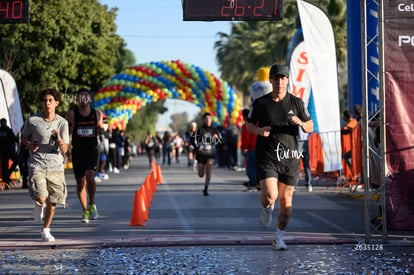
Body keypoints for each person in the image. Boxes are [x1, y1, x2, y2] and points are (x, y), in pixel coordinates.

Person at [246, 64, 313, 250]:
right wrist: (259, 130)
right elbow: (249, 125)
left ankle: (279, 237)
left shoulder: (296, 103)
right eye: (276, 78)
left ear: (287, 80)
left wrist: (300, 122)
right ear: (271, 81)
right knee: (270, 196)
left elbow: (310, 126)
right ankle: (267, 208)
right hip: (268, 157)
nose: (280, 82)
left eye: (283, 78)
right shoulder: (260, 103)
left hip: (290, 158)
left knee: (286, 201)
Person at [21, 88, 69, 242]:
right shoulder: (33, 120)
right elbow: (22, 136)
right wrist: (29, 144)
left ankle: (46, 230)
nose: (47, 103)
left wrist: (60, 140)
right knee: (42, 198)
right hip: (38, 164)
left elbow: (65, 149)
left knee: (53, 201)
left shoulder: (63, 123)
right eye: (44, 100)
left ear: (57, 103)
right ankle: (38, 204)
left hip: (56, 166)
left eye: (50, 100)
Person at [65, 88, 103, 224]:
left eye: (85, 96)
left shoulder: (97, 114)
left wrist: (103, 135)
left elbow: (100, 128)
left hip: (92, 150)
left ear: (90, 99)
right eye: (80, 96)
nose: (83, 98)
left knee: (90, 177)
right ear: (77, 99)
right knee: (80, 183)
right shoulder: (71, 114)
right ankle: (85, 209)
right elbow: (66, 131)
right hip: (78, 151)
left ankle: (92, 203)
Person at [193, 112, 222, 196]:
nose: (208, 120)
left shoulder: (214, 129)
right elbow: (194, 141)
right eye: (206, 119)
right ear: (203, 120)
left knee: (208, 171)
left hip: (210, 153)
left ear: (211, 120)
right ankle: (202, 171)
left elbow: (220, 141)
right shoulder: (200, 129)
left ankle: (206, 188)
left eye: (209, 118)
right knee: (201, 174)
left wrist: (217, 139)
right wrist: (196, 149)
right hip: (201, 153)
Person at [240, 108, 257, 191]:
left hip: (251, 149)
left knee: (251, 168)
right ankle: (258, 184)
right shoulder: (258, 124)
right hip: (260, 149)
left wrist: (244, 148)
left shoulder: (246, 125)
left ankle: (253, 184)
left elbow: (245, 139)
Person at [0, 118, 19, 185]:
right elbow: (14, 139)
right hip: (9, 150)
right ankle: (7, 176)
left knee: (4, 166)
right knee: (17, 160)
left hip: (2, 151)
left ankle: (6, 179)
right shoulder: (8, 130)